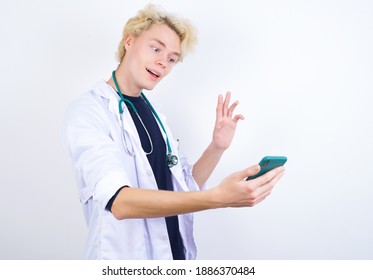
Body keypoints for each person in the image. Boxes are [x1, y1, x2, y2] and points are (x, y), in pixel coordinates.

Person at [64, 3, 285, 260]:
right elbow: (119, 202)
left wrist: (217, 147)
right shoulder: (88, 110)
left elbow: (183, 186)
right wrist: (217, 199)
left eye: (171, 59)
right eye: (156, 48)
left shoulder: (155, 113)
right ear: (129, 41)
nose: (163, 63)